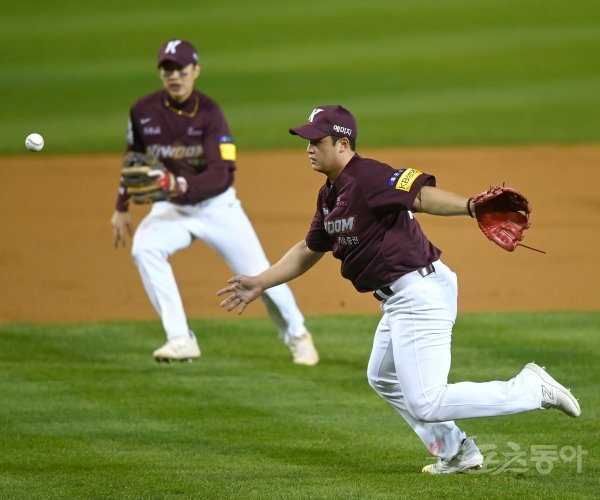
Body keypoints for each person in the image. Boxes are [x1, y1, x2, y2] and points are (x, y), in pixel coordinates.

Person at [217, 105, 581, 473]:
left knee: (427, 401)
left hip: (419, 293)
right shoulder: (329, 194)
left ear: (342, 144)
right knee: (383, 377)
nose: (309, 148)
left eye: (317, 141)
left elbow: (420, 196)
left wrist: (470, 206)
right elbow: (309, 249)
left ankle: (530, 389)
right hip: (400, 299)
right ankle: (457, 451)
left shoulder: (368, 176)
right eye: (307, 141)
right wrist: (260, 282)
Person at [110, 39, 318, 366]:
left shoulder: (210, 113)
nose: (174, 76)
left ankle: (298, 335)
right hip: (171, 208)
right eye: (167, 70)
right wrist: (121, 205)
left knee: (260, 273)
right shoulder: (143, 110)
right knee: (145, 248)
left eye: (181, 70)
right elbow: (134, 157)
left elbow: (222, 175)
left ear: (195, 71)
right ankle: (180, 338)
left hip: (217, 207)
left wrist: (179, 183)